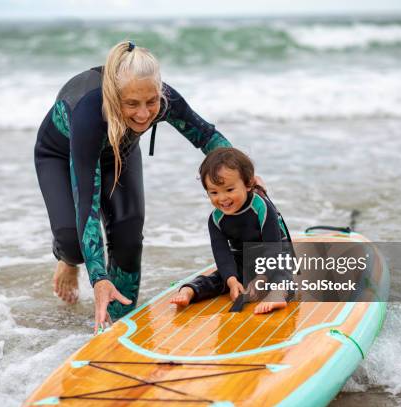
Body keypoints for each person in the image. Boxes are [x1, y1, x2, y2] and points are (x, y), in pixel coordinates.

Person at [34, 41, 232, 333]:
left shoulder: (163, 98)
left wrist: (245, 176)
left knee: (128, 235)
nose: (143, 114)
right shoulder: (90, 112)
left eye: (150, 102)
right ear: (115, 97)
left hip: (118, 155)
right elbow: (86, 204)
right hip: (61, 156)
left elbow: (206, 137)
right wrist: (99, 278)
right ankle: (68, 260)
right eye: (132, 104)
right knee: (74, 240)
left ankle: (118, 324)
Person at [170, 147, 294, 314]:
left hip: (275, 251)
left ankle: (278, 294)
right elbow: (222, 254)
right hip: (243, 257)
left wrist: (262, 278)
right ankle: (190, 290)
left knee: (282, 270)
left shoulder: (262, 207)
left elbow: (273, 248)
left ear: (248, 184)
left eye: (229, 190)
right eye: (213, 192)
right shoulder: (216, 220)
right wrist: (231, 280)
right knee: (220, 276)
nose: (222, 198)